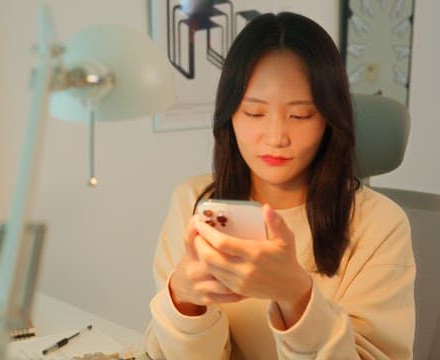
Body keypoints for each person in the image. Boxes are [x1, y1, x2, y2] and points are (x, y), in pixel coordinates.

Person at [145, 12, 415, 360]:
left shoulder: (380, 225)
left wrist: (296, 296)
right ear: (229, 116)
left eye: (301, 115)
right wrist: (183, 300)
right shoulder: (194, 204)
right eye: (255, 113)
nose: (276, 137)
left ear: (329, 121)